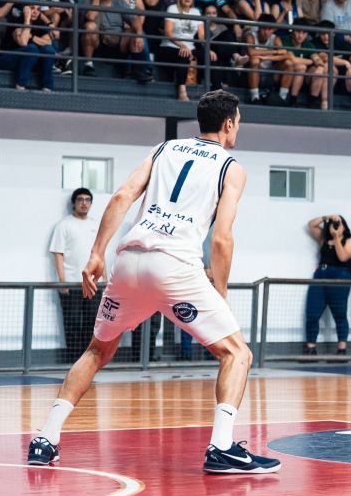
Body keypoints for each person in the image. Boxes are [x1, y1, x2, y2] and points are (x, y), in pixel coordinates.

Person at [26, 91, 281, 474]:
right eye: (238, 122)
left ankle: (45, 438)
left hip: (129, 261)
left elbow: (122, 196)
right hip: (175, 266)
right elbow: (223, 239)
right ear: (229, 123)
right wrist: (221, 293)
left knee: (97, 351)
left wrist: (97, 253)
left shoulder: (165, 149)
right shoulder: (231, 167)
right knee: (237, 354)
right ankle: (222, 447)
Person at [50, 188, 101, 363]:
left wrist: (104, 279)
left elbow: (100, 253)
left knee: (92, 322)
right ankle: (73, 359)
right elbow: (58, 253)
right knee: (72, 321)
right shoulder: (64, 225)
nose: (84, 203)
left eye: (87, 200)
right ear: (74, 203)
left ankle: (86, 360)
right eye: (80, 199)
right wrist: (62, 281)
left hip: (93, 284)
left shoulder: (96, 225)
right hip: (72, 284)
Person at [303, 214, 351, 356]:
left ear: (344, 226)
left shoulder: (348, 241)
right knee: (312, 312)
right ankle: (311, 348)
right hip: (320, 275)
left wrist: (337, 237)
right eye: (333, 223)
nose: (336, 225)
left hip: (340, 277)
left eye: (339, 223)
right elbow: (311, 224)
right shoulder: (324, 238)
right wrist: (326, 217)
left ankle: (342, 349)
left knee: (340, 313)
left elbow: (343, 257)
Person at [0, 3, 58, 91]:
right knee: (31, 48)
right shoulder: (16, 21)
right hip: (7, 60)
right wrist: (27, 20)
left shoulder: (40, 25)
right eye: (32, 8)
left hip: (28, 62)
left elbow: (48, 43)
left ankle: (47, 87)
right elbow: (23, 43)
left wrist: (32, 37)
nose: (35, 12)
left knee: (48, 50)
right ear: (25, 9)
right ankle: (20, 85)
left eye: (38, 9)